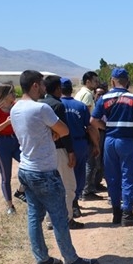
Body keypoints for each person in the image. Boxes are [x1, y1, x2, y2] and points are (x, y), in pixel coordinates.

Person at [9, 70, 98, 264]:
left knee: (34, 216)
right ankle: (71, 259)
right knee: (59, 216)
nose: (43, 88)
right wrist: (52, 133)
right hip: (44, 170)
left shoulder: (15, 109)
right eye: (41, 84)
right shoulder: (40, 109)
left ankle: (42, 258)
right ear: (34, 85)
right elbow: (64, 130)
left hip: (26, 168)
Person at [91, 68, 133, 226]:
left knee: (112, 177)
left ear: (112, 81)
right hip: (127, 141)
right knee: (128, 176)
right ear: (127, 80)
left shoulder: (104, 98)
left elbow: (93, 120)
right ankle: (127, 214)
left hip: (110, 140)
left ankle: (116, 213)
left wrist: (107, 127)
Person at [40, 75, 83, 230]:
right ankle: (67, 219)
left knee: (50, 188)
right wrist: (71, 151)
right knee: (69, 186)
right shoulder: (57, 105)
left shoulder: (38, 104)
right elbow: (64, 132)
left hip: (43, 152)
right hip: (58, 150)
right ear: (58, 89)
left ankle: (50, 220)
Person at [61, 78, 99, 219]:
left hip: (62, 145)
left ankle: (67, 204)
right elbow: (90, 127)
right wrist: (96, 144)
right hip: (79, 143)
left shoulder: (56, 105)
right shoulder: (80, 106)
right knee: (78, 173)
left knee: (62, 174)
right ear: (71, 89)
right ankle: (74, 202)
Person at [0, 81, 26, 215]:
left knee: (30, 165)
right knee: (5, 176)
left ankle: (21, 191)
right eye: (12, 93)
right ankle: (10, 205)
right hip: (1, 143)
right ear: (4, 94)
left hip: (15, 141)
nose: (15, 94)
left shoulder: (15, 106)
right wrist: (7, 122)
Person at [81, 83, 107, 199]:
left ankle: (96, 183)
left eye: (102, 94)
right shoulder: (92, 107)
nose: (100, 97)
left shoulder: (105, 105)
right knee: (92, 161)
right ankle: (87, 189)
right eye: (98, 94)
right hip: (95, 133)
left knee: (100, 160)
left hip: (103, 133)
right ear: (94, 94)